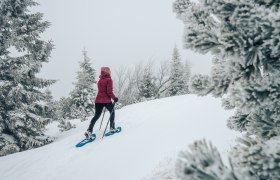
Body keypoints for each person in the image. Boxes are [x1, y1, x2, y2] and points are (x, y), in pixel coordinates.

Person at [85, 67, 118, 139]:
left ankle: (89, 131)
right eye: (109, 71)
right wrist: (114, 98)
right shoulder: (109, 80)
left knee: (96, 116)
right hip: (106, 100)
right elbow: (109, 92)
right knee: (112, 112)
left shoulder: (100, 81)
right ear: (108, 72)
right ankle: (112, 127)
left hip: (98, 101)